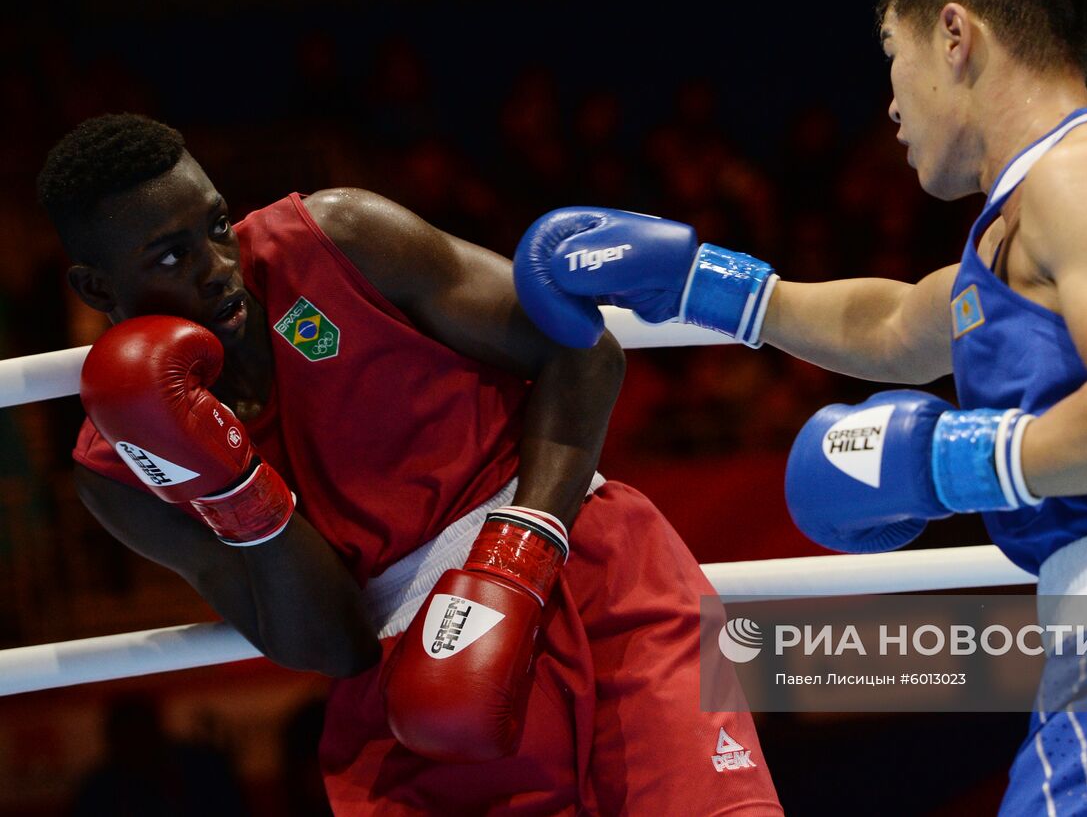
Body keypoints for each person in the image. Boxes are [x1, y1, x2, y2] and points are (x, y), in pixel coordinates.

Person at [513, 0, 1087, 815]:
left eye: (893, 60)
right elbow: (897, 323)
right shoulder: (1023, 227)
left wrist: (951, 461)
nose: (892, 105)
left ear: (954, 36)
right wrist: (703, 282)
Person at [38, 114, 782, 815]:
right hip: (413, 678)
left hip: (581, 564)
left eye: (216, 225)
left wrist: (520, 548)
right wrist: (236, 487)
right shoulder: (121, 473)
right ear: (97, 288)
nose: (217, 267)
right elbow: (333, 644)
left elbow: (583, 349)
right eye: (172, 255)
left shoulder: (336, 239)